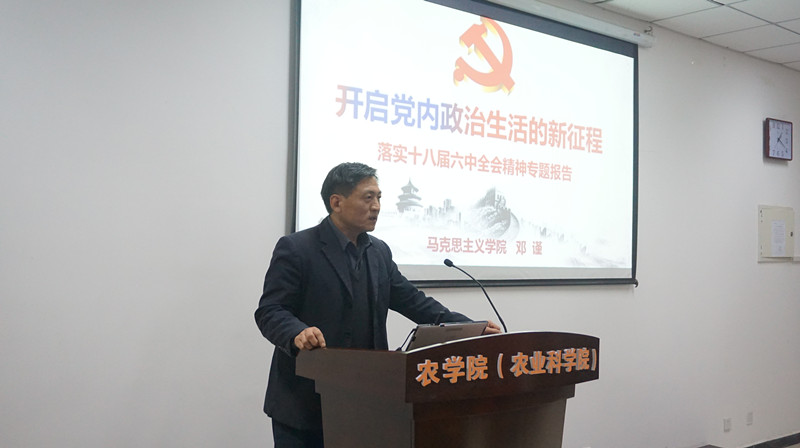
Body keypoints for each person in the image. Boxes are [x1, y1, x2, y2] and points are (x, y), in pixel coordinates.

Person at [254, 162, 501, 447]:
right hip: (305, 404)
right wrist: (297, 332)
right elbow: (270, 310)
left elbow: (413, 301)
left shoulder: (379, 252)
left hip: (366, 399)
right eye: (368, 197)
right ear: (336, 202)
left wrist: (470, 327)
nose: (377, 206)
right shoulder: (298, 248)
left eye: (379, 197)